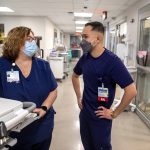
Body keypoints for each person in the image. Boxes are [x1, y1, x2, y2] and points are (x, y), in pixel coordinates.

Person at [72, 22, 137, 150]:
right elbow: (74, 76)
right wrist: (79, 97)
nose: (82, 41)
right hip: (85, 113)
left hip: (101, 116)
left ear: (98, 39)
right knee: (87, 145)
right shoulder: (84, 58)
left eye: (85, 36)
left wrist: (114, 113)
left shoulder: (112, 62)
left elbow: (131, 90)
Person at [0, 26, 57, 150]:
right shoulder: (2, 66)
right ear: (16, 41)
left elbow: (53, 90)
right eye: (29, 39)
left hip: (41, 124)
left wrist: (44, 108)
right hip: (13, 129)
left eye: (33, 39)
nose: (33, 42)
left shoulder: (43, 65)